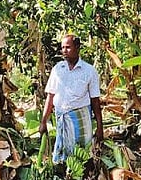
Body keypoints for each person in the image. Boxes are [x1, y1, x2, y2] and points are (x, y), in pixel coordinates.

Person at [39, 34, 103, 164]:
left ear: (77, 47)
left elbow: (95, 101)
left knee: (82, 156)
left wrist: (100, 127)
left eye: (68, 47)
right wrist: (43, 121)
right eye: (62, 48)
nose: (64, 51)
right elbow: (50, 96)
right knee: (63, 156)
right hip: (61, 117)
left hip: (80, 119)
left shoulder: (89, 71)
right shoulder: (58, 69)